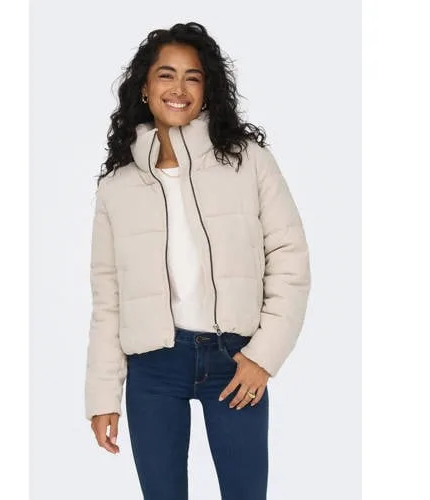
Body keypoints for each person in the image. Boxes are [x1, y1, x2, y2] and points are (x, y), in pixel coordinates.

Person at [84, 21, 311, 500]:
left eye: (193, 77)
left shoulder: (248, 161)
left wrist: (263, 357)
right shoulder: (117, 187)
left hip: (236, 360)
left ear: (208, 89)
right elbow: (108, 300)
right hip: (153, 368)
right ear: (145, 88)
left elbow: (290, 260)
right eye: (166, 75)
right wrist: (103, 396)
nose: (179, 88)